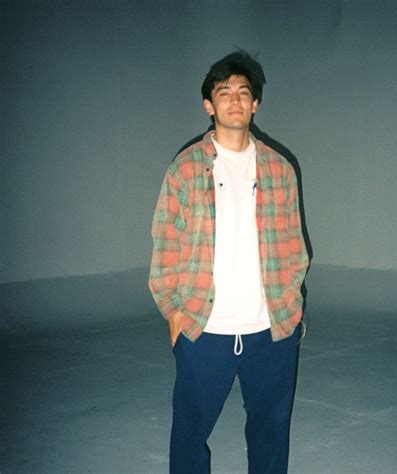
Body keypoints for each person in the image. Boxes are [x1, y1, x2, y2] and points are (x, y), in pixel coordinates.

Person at [148, 50, 309, 474]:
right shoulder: (185, 169)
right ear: (209, 105)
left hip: (269, 330)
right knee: (189, 433)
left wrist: (290, 308)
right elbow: (165, 243)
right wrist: (174, 313)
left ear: (255, 104)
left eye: (243, 92)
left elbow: (295, 247)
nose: (235, 99)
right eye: (224, 92)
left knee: (271, 431)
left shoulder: (280, 169)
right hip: (205, 328)